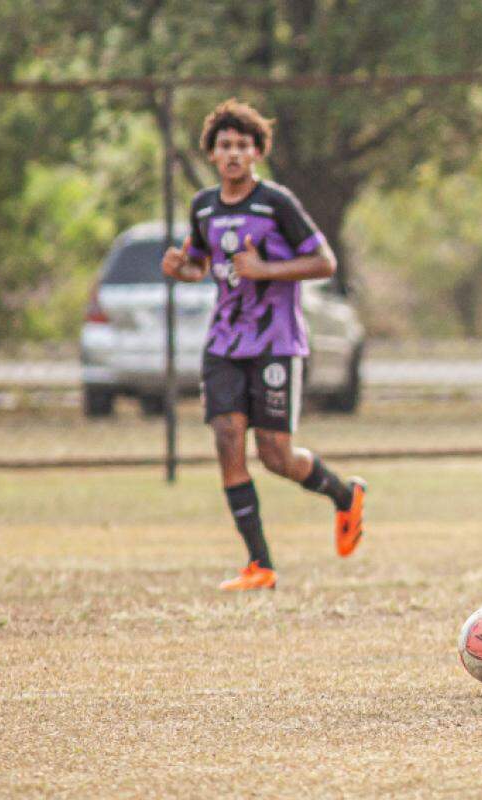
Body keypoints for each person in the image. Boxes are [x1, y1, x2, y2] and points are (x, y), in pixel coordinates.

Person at [161, 99, 366, 591]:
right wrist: (182, 270)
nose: (233, 154)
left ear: (257, 152)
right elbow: (201, 263)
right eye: (224, 146)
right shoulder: (203, 207)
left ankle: (345, 494)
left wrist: (266, 270)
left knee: (276, 455)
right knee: (228, 441)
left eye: (242, 145)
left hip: (276, 343)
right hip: (225, 344)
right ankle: (260, 565)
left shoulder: (276, 203)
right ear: (212, 154)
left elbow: (325, 262)